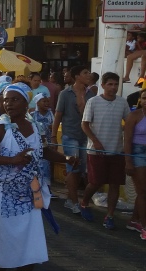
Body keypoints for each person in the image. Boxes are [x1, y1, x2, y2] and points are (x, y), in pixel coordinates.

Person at [0, 82, 78, 271]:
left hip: (30, 196)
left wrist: (65, 159)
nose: (8, 104)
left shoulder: (35, 126)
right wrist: (11, 160)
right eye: (5, 100)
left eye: (14, 99)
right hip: (4, 197)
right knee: (5, 244)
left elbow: (42, 151)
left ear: (26, 102)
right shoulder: (0, 127)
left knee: (30, 245)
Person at [79, 72, 130, 229]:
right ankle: (84, 203)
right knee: (96, 182)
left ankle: (110, 215)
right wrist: (96, 141)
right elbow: (85, 124)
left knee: (115, 184)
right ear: (102, 85)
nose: (113, 87)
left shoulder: (123, 103)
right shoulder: (93, 102)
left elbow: (129, 123)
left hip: (117, 150)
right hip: (96, 151)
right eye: (110, 84)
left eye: (116, 84)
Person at [53, 66, 95, 214]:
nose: (88, 75)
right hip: (70, 134)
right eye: (85, 72)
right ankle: (74, 202)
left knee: (81, 169)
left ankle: (71, 199)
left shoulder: (91, 94)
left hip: (85, 136)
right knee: (73, 167)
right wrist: (53, 135)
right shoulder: (65, 93)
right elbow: (58, 114)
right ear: (77, 76)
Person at [124, 88, 146, 238]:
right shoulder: (134, 115)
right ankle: (144, 226)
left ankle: (134, 220)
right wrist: (128, 162)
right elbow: (127, 140)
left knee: (143, 192)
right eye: (144, 98)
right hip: (137, 153)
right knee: (143, 191)